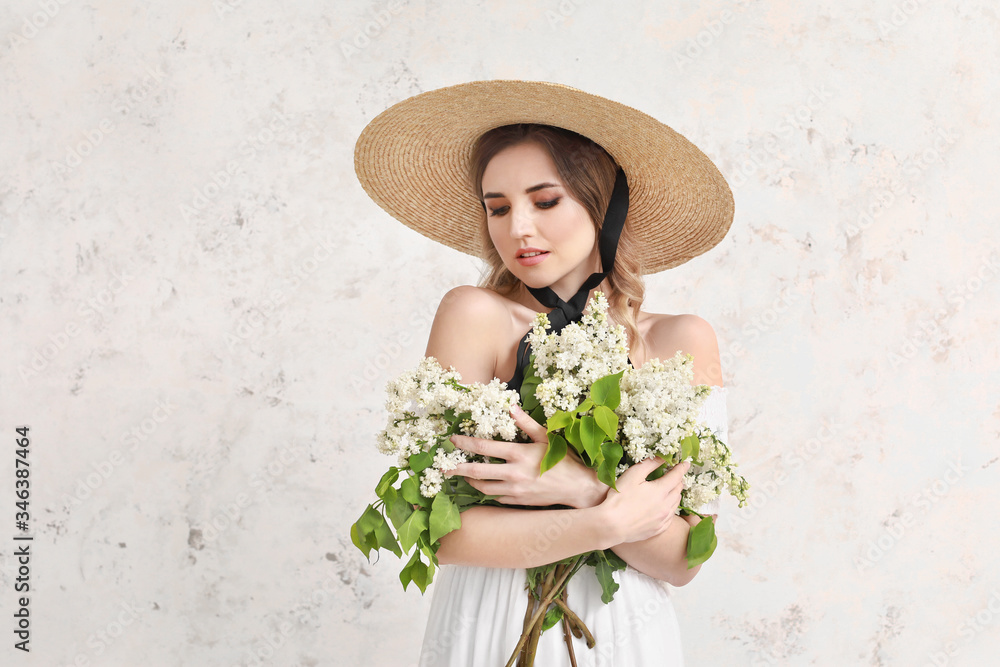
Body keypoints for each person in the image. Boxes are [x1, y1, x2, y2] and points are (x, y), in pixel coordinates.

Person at [354, 80, 734, 666]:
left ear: (603, 208)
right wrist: (609, 519)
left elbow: (684, 560)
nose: (518, 229)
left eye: (545, 200)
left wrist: (578, 487)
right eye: (498, 208)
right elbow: (446, 535)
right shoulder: (475, 315)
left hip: (624, 636)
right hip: (491, 627)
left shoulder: (681, 340)